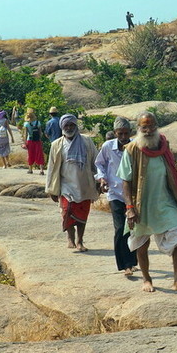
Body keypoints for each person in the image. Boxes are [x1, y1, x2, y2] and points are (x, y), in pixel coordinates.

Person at [117, 112, 177, 292]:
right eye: (144, 127)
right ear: (138, 129)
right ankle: (147, 279)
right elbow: (125, 181)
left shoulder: (163, 145)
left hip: (166, 202)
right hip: (141, 204)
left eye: (152, 126)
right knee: (142, 243)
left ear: (157, 127)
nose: (149, 131)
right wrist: (129, 208)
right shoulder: (132, 149)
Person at [45, 114, 100, 252]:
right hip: (66, 186)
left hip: (84, 185)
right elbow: (51, 168)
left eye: (71, 125)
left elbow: (97, 161)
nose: (69, 128)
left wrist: (99, 181)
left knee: (82, 214)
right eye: (66, 125)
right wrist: (51, 189)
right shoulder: (56, 145)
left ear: (76, 126)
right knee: (66, 211)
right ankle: (70, 237)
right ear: (62, 127)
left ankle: (80, 241)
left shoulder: (87, 141)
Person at [95, 117, 138, 276]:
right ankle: (125, 265)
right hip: (115, 193)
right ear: (115, 133)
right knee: (120, 228)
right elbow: (99, 163)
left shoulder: (135, 146)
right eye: (120, 133)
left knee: (133, 229)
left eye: (126, 133)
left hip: (132, 194)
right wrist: (102, 178)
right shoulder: (108, 146)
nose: (123, 137)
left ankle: (132, 261)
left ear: (130, 132)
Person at [22, 108, 45, 175]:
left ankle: (30, 169)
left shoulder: (26, 124)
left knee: (30, 154)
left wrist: (25, 142)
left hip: (30, 140)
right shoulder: (38, 122)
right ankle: (41, 170)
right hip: (37, 140)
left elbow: (25, 134)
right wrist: (40, 139)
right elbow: (40, 133)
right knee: (39, 154)